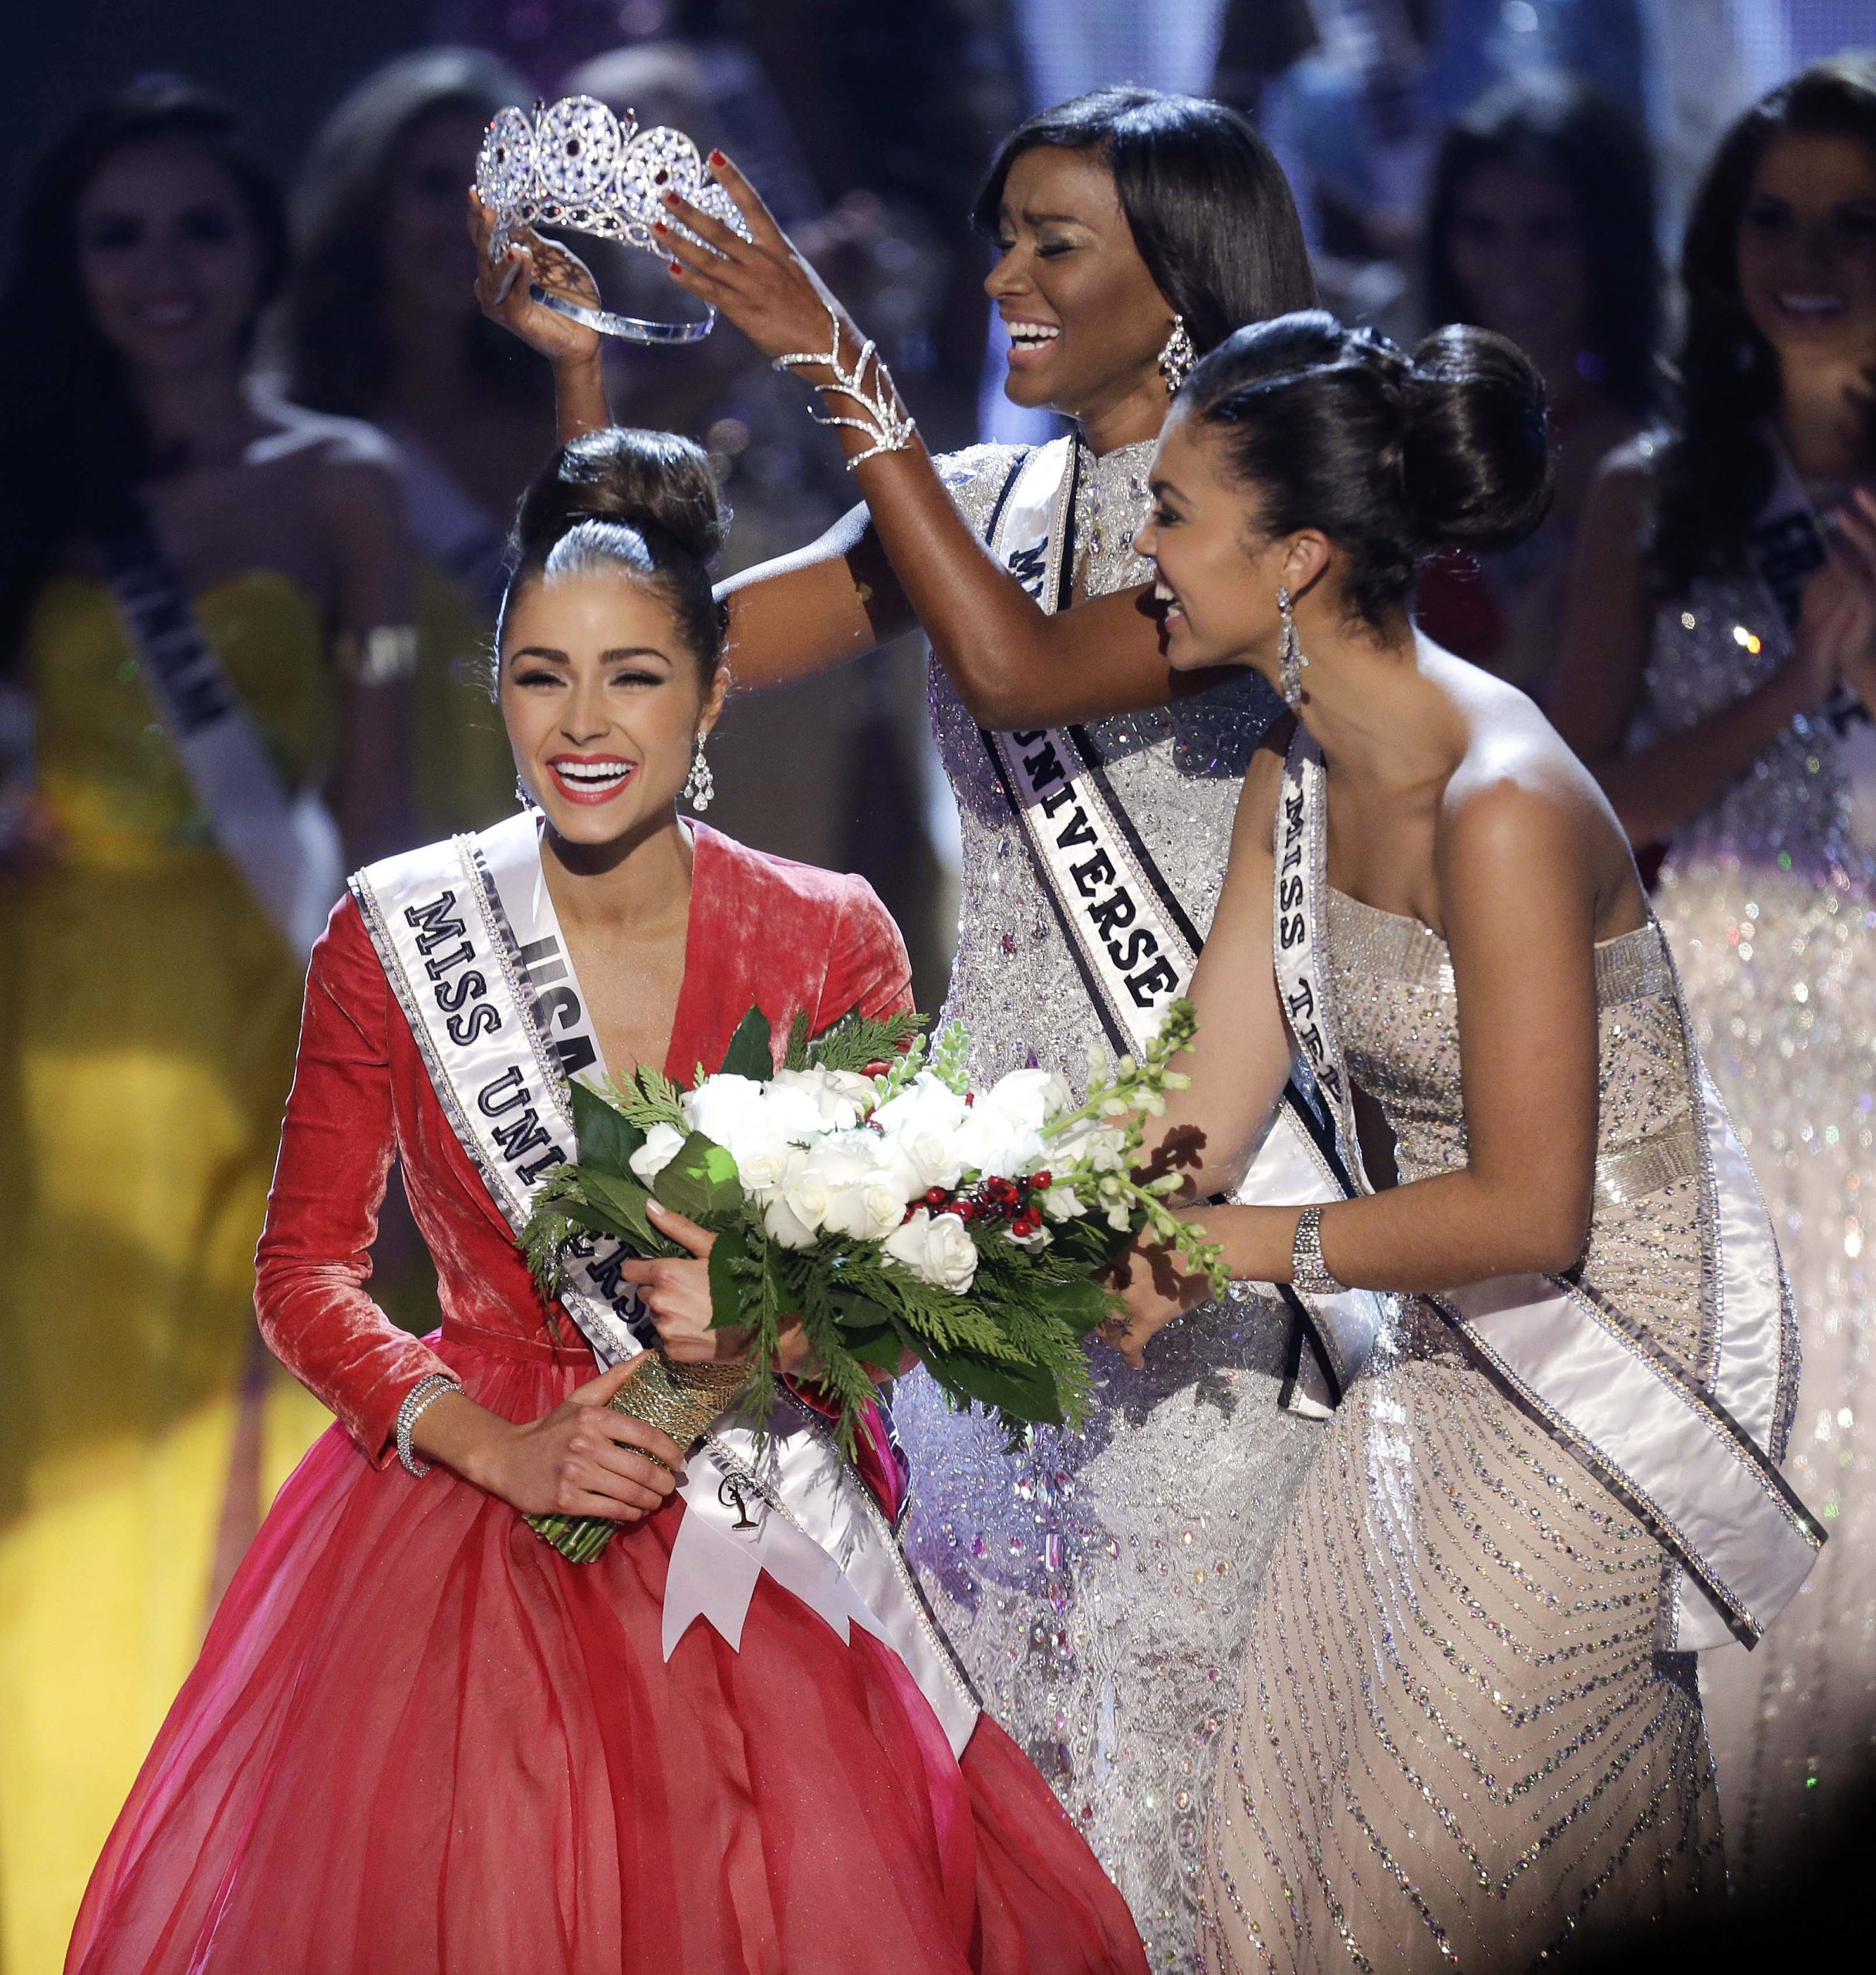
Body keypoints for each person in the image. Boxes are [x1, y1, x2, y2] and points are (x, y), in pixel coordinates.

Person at [66, 424, 1149, 1975]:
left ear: (711, 694)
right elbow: (304, 1274)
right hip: (469, 1538)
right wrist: (496, 1442)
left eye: (633, 676)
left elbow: (917, 1276)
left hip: (758, 1513)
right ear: (494, 688)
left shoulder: (831, 930)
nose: (583, 722)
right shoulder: (396, 931)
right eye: (539, 675)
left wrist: (765, 1335)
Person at [477, 86, 1328, 1960]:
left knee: (1170, 1780)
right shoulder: (991, 509)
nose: (1004, 274)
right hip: (967, 1221)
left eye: (1055, 242)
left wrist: (832, 356)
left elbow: (1021, 663)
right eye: (997, 234)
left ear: (1184, 278)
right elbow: (658, 656)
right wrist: (575, 382)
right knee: (981, 1781)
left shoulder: (1260, 534)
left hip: (1207, 1196)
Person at [1105, 309, 1819, 1970]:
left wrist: (1217, 1249)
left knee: (1423, 1866)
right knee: (1274, 1842)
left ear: (1290, 557)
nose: (1139, 554)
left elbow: (1530, 1206)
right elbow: (1201, 1092)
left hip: (1596, 1372)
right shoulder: (1293, 768)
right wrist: (1024, 1211)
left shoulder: (1500, 801)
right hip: (1438, 1364)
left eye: (1169, 515)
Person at [0, 78, 413, 1973]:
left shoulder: (342, 482)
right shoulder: (30, 482)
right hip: (54, 1033)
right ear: (67, 266)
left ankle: (219, 1905)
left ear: (259, 251)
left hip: (270, 1010)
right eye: (118, 234)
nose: (161, 272)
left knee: (248, 1443)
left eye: (198, 230)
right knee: (62, 1446)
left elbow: (403, 811)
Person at [1549, 55, 1876, 1887]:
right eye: (1772, 217)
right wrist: (1790, 688)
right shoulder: (1646, 494)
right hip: (1706, 1041)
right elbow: (1574, 802)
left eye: (1849, 220)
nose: (1806, 256)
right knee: (1721, 1462)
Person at [287, 47, 545, 839]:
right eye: (436, 186)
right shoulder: (292, 438)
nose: (474, 220)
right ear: (367, 204)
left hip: (563, 878)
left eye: (502, 190)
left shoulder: (568, 424)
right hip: (374, 882)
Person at [1412, 75, 1662, 703]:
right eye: (1481, 230)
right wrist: (1510, 665)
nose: (1512, 265)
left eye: (1547, 230)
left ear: (1607, 241)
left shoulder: (1669, 446)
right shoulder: (1390, 436)